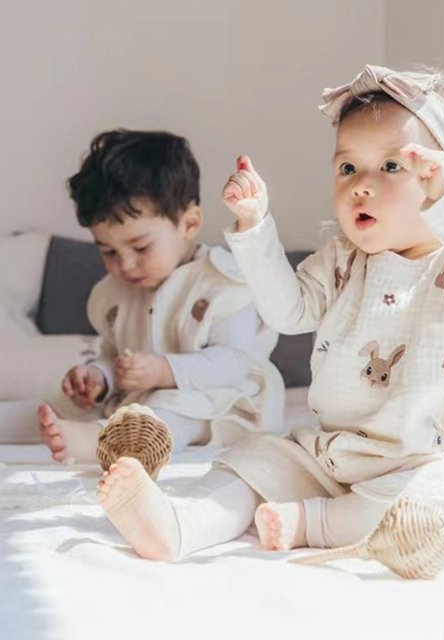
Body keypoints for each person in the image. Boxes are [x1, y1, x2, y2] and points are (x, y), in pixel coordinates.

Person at [97, 66, 444, 563]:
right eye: (348, 168)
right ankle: (181, 524)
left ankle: (316, 522)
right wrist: (255, 227)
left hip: (433, 460)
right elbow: (288, 312)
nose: (361, 185)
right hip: (336, 457)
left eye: (391, 166)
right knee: (255, 459)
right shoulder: (342, 260)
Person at [36, 129, 284, 464]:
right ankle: (101, 430)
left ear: (189, 224)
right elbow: (115, 353)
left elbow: (233, 363)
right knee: (63, 404)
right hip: (143, 400)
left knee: (170, 410)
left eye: (140, 247)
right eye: (108, 251)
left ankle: (109, 441)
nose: (125, 264)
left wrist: (162, 370)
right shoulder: (116, 294)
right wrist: (100, 376)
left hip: (221, 404)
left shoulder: (224, 282)